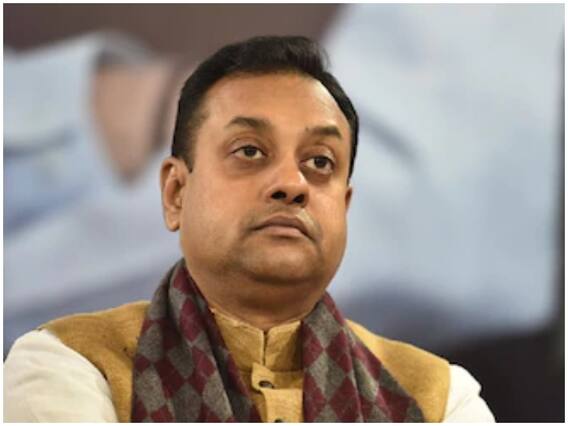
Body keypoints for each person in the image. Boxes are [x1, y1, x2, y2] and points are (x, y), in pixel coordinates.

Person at [4, 35, 494, 422]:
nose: (292, 184)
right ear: (175, 193)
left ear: (344, 208)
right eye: (250, 151)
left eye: (320, 162)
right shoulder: (70, 364)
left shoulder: (441, 397)